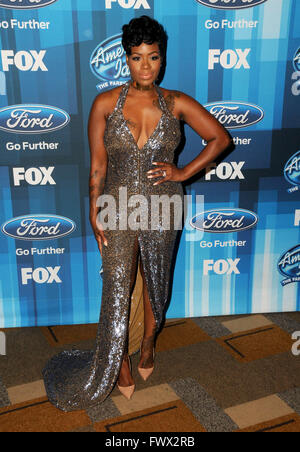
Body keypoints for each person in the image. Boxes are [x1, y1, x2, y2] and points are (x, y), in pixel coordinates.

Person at [42, 15, 231, 412]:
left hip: (164, 205)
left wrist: (181, 172)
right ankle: (120, 366)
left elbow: (220, 138)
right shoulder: (105, 103)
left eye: (153, 58)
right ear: (125, 60)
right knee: (117, 284)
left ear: (162, 58)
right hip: (116, 204)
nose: (145, 67)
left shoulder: (176, 101)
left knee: (156, 284)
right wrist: (94, 208)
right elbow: (97, 164)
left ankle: (147, 343)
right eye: (136, 58)